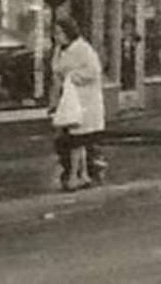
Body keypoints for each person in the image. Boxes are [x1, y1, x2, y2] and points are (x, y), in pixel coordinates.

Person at [51, 16, 106, 191]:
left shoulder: (83, 49)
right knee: (74, 140)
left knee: (76, 140)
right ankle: (82, 174)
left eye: (59, 32)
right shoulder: (59, 50)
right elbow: (56, 72)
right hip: (67, 101)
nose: (56, 36)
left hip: (83, 102)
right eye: (55, 33)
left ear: (68, 32)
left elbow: (94, 71)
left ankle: (76, 175)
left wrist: (72, 77)